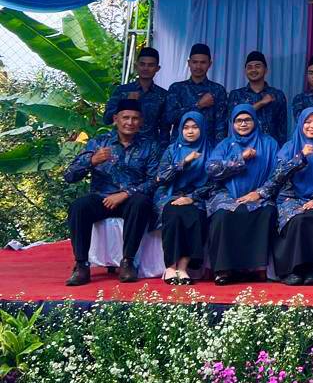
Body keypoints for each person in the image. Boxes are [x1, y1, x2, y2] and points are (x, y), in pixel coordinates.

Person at [63, 100, 161, 286]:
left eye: (135, 118)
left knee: (141, 203)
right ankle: (81, 265)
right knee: (78, 207)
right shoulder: (99, 143)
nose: (130, 122)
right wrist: (92, 161)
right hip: (102, 198)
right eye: (125, 117)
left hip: (131, 200)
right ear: (116, 119)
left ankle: (128, 262)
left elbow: (154, 181)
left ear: (141, 121)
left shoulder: (150, 146)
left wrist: (125, 193)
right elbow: (69, 175)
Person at [204, 104, 278, 285]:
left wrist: (259, 193)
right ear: (232, 123)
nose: (243, 124)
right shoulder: (225, 144)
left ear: (255, 121)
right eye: (238, 121)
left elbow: (278, 174)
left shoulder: (269, 144)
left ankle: (255, 269)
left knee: (266, 212)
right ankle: (223, 270)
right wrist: (240, 159)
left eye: (247, 120)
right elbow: (211, 169)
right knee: (222, 215)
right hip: (227, 194)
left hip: (258, 195)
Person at [268, 106, 313, 285]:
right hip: (290, 198)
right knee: (297, 219)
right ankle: (290, 271)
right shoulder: (289, 147)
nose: (312, 126)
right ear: (300, 124)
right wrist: (301, 157)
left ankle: (311, 269)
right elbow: (278, 176)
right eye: (307, 122)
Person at [155, 112, 211, 286]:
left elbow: (214, 183)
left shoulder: (210, 150)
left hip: (197, 197)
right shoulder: (172, 149)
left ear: (202, 129)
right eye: (186, 128)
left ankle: (183, 267)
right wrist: (184, 162)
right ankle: (170, 267)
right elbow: (161, 177)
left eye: (195, 127)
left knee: (194, 215)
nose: (190, 131)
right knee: (173, 214)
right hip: (169, 194)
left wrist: (192, 198)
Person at [164, 43, 228, 143]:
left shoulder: (218, 90)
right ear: (189, 63)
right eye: (195, 62)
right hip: (180, 146)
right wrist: (198, 105)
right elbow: (169, 118)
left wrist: (219, 150)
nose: (198, 66)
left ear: (210, 64)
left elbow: (221, 126)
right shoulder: (177, 88)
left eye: (203, 62)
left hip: (208, 147)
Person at [103, 46, 168, 143]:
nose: (146, 68)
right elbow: (107, 119)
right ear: (136, 66)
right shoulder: (122, 91)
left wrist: (163, 147)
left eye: (150, 65)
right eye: (142, 64)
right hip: (123, 144)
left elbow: (165, 126)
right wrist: (125, 102)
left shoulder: (163, 95)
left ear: (157, 68)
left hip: (149, 147)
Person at [228, 50, 288, 144]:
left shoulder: (277, 95)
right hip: (243, 147)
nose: (253, 70)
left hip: (270, 148)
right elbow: (234, 119)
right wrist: (261, 103)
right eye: (249, 67)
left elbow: (282, 128)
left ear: (266, 70)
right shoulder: (236, 95)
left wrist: (280, 149)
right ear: (245, 71)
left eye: (257, 66)